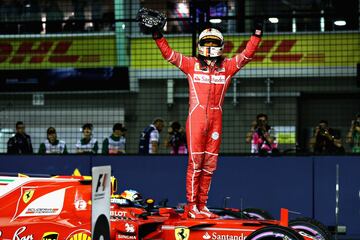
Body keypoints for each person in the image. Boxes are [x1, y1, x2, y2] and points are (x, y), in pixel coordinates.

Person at [138, 8, 262, 218]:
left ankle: (202, 206)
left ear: (221, 46)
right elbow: (169, 55)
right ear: (200, 45)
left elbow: (247, 55)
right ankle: (192, 206)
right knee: (195, 163)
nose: (211, 46)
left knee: (210, 164)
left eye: (215, 43)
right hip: (196, 120)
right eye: (208, 43)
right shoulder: (191, 65)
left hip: (216, 120)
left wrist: (257, 33)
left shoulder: (228, 67)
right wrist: (158, 35)